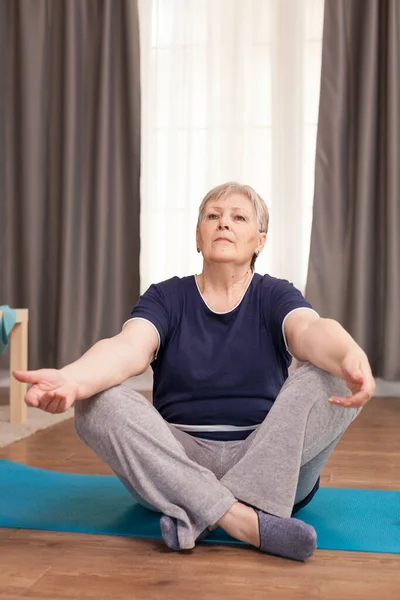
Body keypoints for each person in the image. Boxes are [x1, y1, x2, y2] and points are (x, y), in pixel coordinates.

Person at [13, 182, 375, 562]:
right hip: (178, 461)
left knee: (334, 374)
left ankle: (197, 514)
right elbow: (127, 348)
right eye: (213, 217)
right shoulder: (167, 297)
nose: (224, 224)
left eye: (238, 217)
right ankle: (242, 520)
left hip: (270, 462)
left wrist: (350, 354)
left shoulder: (274, 294)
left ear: (260, 241)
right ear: (198, 237)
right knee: (96, 401)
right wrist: (73, 379)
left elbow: (311, 330)